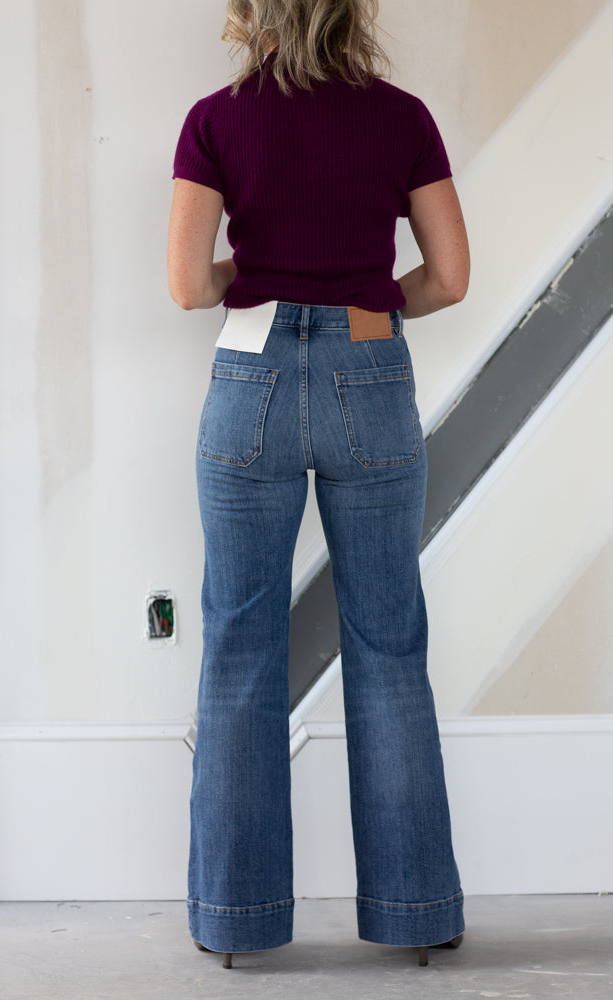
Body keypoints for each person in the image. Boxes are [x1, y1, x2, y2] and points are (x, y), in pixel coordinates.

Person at [167, 0, 470, 970]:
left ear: (252, 13)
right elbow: (450, 277)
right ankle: (418, 913)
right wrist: (370, 303)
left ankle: (235, 920)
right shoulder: (402, 118)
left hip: (249, 381)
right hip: (370, 376)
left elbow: (185, 285)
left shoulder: (215, 121)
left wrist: (249, 269)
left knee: (239, 649)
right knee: (386, 643)